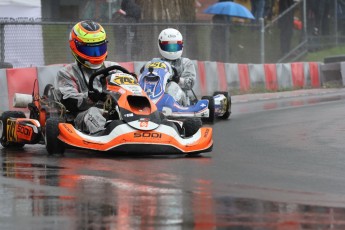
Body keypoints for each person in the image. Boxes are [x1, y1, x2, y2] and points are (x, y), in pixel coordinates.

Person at [54, 20, 122, 134]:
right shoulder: (67, 73)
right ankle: (102, 134)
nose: (95, 54)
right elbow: (69, 101)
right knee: (93, 112)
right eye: (89, 50)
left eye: (99, 48)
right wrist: (90, 97)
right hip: (82, 116)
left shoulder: (115, 68)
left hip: (115, 112)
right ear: (75, 47)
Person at [141, 28, 197, 106]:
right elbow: (142, 75)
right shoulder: (153, 62)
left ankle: (166, 105)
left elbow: (190, 84)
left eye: (175, 46)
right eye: (169, 47)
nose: (172, 50)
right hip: (155, 93)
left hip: (179, 98)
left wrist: (177, 79)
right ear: (160, 45)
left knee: (172, 86)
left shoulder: (186, 63)